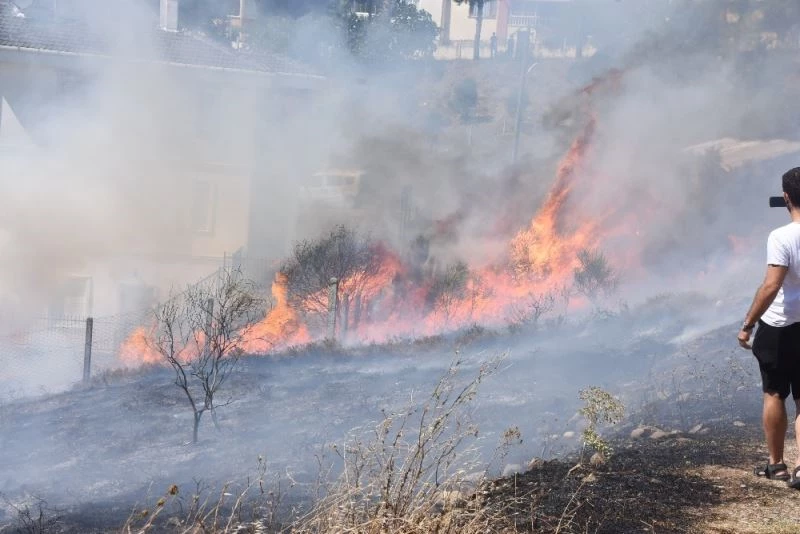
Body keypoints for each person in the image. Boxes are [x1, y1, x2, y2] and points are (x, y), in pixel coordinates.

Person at [739, 167, 800, 487]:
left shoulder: (781, 236)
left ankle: (776, 465)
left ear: (786, 197)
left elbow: (771, 285)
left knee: (775, 392)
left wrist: (748, 324)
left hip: (780, 325)